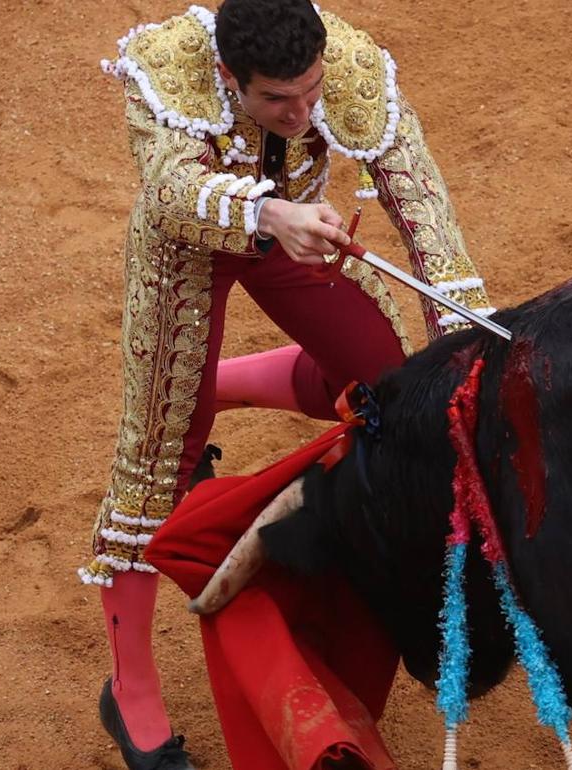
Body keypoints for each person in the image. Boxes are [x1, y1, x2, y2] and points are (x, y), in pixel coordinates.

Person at [78, 1, 495, 767]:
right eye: (278, 101)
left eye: (312, 91)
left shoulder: (351, 63)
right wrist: (269, 210)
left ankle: (214, 388)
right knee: (157, 460)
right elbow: (170, 189)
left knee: (385, 391)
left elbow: (421, 202)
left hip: (294, 235)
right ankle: (129, 691)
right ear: (230, 78)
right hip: (187, 249)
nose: (304, 113)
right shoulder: (167, 68)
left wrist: (466, 335)